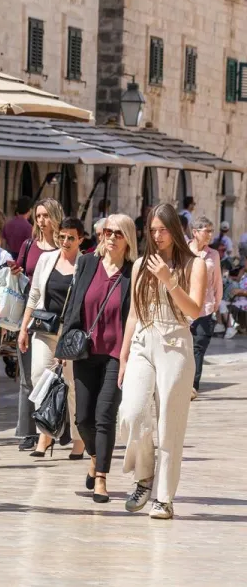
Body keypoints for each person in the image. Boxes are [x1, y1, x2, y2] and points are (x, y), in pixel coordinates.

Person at [119, 203, 206, 520]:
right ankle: (144, 476)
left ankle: (164, 498)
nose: (157, 236)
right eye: (152, 230)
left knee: (170, 424)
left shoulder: (195, 264)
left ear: (175, 230)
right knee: (131, 413)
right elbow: (133, 313)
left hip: (176, 344)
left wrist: (170, 280)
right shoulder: (140, 265)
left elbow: (194, 310)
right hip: (143, 341)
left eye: (163, 229)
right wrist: (123, 356)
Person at [61, 213, 135, 504]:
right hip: (85, 351)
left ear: (128, 238)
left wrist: (130, 356)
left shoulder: (132, 271)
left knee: (104, 417)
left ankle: (101, 477)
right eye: (107, 232)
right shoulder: (87, 263)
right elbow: (73, 306)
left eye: (118, 233)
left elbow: (134, 315)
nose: (111, 237)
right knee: (82, 419)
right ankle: (94, 457)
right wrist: (64, 346)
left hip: (116, 355)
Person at [18, 216, 85, 458]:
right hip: (45, 328)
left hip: (71, 333)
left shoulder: (85, 264)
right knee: (39, 377)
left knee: (72, 385)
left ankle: (78, 439)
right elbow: (34, 295)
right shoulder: (47, 259)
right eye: (62, 237)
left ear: (80, 239)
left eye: (71, 238)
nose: (65, 242)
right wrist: (24, 328)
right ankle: (45, 434)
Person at [14, 198, 63, 451]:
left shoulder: (65, 246)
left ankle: (55, 425)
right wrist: (14, 270)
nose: (41, 220)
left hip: (54, 315)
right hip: (30, 311)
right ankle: (28, 431)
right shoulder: (29, 245)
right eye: (38, 215)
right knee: (28, 374)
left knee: (56, 373)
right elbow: (23, 274)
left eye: (46, 215)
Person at [187, 216, 222, 397]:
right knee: (182, 347)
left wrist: (216, 303)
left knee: (198, 348)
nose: (210, 234)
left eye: (211, 231)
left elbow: (217, 281)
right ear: (195, 232)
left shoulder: (213, 254)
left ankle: (193, 386)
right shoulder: (183, 250)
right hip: (184, 307)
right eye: (206, 231)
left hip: (205, 308)